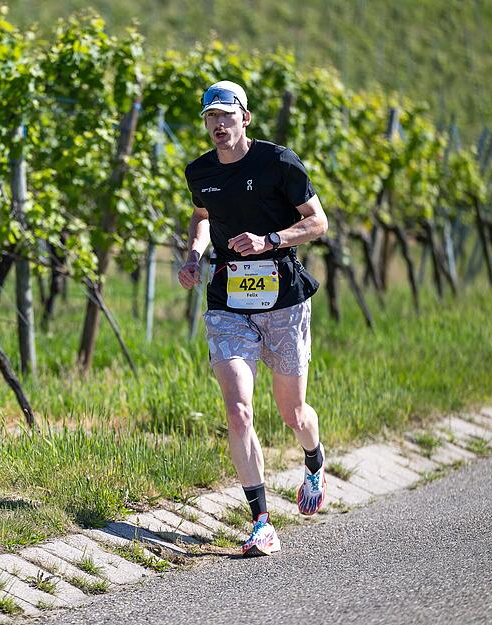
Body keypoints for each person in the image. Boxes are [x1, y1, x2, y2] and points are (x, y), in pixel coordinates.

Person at [178, 80, 329, 556]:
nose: (218, 125)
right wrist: (195, 255)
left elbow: (318, 222)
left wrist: (270, 241)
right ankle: (261, 520)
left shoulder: (279, 162)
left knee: (293, 414)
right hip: (229, 300)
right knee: (239, 409)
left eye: (227, 115)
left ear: (245, 118)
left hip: (283, 300)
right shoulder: (199, 171)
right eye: (210, 118)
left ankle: (313, 458)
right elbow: (202, 214)